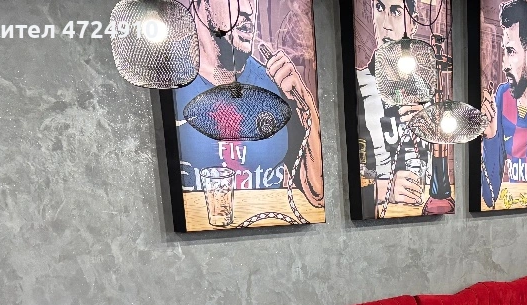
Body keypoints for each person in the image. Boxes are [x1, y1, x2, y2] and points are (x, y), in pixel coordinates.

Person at [174, 0, 324, 208]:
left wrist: (305, 102)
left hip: (271, 224)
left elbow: (317, 193)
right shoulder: (170, 84)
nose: (249, 10)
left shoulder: (276, 85)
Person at [356, 0, 431, 212]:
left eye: (396, 12)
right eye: (380, 8)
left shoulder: (425, 93)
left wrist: (429, 131)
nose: (386, 23)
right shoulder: (358, 86)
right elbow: (342, 178)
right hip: (375, 220)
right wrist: (384, 189)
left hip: (421, 215)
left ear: (413, 25)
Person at [480, 0, 527, 209]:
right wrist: (491, 136)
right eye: (504, 51)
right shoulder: (502, 95)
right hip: (512, 205)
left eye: (510, 51)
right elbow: (489, 197)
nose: (504, 65)